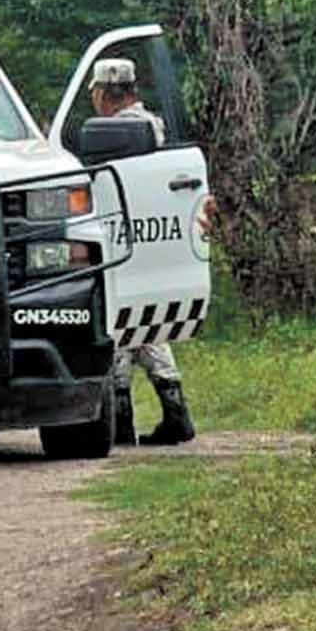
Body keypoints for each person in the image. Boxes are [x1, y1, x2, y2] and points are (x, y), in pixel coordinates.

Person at [90, 57, 195, 446]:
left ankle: (121, 418)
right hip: (154, 239)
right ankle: (175, 414)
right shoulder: (154, 126)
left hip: (123, 238)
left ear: (105, 93)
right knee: (147, 324)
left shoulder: (114, 132)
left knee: (119, 324)